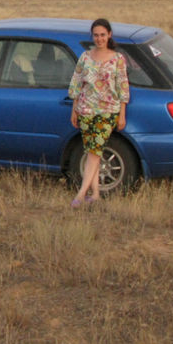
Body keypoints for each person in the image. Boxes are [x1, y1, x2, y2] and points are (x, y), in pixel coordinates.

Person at [67, 18, 130, 207]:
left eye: (103, 35)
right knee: (91, 150)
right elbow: (77, 83)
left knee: (94, 153)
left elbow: (123, 87)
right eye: (96, 35)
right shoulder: (85, 57)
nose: (99, 38)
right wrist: (74, 109)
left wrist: (122, 114)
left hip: (108, 111)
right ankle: (95, 194)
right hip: (86, 109)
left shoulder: (118, 59)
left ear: (109, 35)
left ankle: (80, 194)